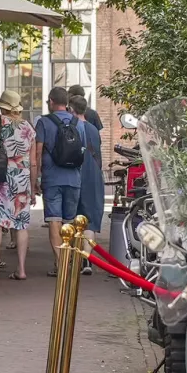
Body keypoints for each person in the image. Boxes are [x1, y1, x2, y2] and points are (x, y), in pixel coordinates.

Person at [34, 86, 98, 276]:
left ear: (51, 101)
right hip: (73, 177)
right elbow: (83, 150)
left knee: (54, 219)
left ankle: (60, 263)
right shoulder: (78, 123)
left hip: (52, 177)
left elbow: (38, 151)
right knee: (69, 220)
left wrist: (36, 177)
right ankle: (70, 257)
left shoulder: (44, 122)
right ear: (67, 103)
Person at [0, 89, 34, 280]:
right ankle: (22, 269)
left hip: (0, 177)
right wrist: (33, 188)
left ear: (2, 106)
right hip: (22, 178)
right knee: (21, 223)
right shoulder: (29, 127)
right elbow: (32, 162)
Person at [70, 93, 104, 267]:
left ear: (71, 109)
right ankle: (87, 260)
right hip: (94, 174)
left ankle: (76, 259)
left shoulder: (71, 127)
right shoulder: (93, 129)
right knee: (90, 217)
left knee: (74, 216)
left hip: (77, 172)